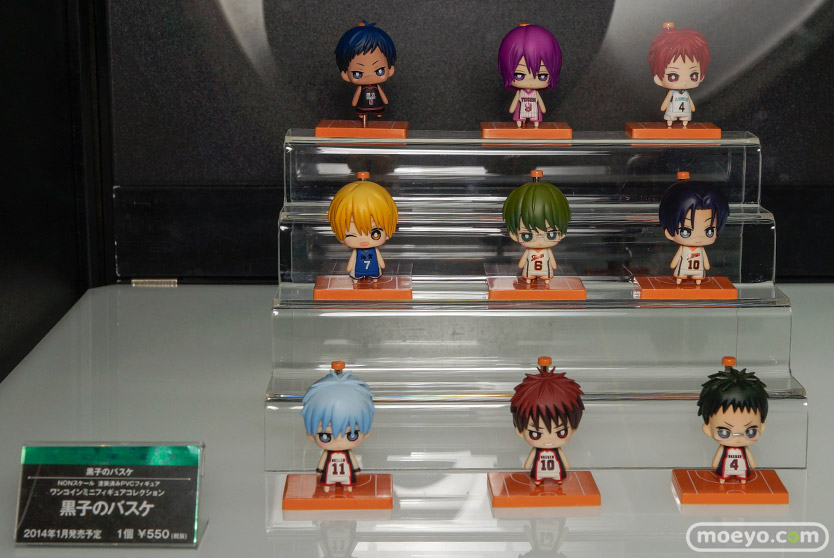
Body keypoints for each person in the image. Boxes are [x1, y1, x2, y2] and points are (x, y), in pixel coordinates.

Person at [301, 362, 375, 492]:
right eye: (326, 436)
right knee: (327, 481)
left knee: (348, 481)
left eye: (351, 435)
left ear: (366, 432)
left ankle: (348, 487)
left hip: (346, 474)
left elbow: (353, 463)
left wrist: (356, 469)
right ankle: (327, 487)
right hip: (329, 474)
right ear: (311, 435)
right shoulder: (329, 453)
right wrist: (319, 470)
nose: (339, 442)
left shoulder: (347, 453)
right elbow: (322, 464)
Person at [511, 356, 584, 485]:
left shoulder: (555, 450)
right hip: (539, 472)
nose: (549, 440)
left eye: (561, 432)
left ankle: (556, 479)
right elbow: (528, 465)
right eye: (536, 434)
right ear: (520, 431)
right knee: (539, 477)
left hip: (556, 471)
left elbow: (528, 466)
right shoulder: (539, 450)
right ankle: (540, 480)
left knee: (558, 475)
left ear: (574, 429)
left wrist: (527, 466)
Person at [697, 357, 768, 484]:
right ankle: (723, 478)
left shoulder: (742, 449)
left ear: (761, 427)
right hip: (725, 469)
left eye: (750, 432)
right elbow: (715, 463)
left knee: (742, 474)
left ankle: (742, 479)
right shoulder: (725, 449)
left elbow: (751, 463)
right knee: (724, 473)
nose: (738, 438)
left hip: (742, 469)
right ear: (708, 429)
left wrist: (752, 464)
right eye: (724, 432)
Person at [658, 174, 729, 285]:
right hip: (683, 269)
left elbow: (706, 263)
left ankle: (697, 280)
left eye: (709, 231)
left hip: (698, 270)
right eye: (686, 231)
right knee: (681, 273)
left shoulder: (699, 250)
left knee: (698, 276)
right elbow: (675, 261)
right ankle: (680, 279)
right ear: (668, 232)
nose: (698, 238)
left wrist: (706, 265)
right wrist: (674, 264)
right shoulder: (684, 249)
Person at [502, 171, 570, 283]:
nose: (539, 240)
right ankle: (529, 280)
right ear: (513, 235)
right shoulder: (531, 251)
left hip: (545, 270)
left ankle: (544, 280)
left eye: (550, 234)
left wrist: (553, 265)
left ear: (562, 234)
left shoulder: (546, 251)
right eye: (527, 235)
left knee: (545, 276)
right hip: (530, 270)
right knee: (529, 275)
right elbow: (522, 263)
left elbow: (552, 263)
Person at [328, 173, 398, 282]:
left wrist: (382, 265)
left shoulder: (373, 250)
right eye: (351, 235)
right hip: (358, 270)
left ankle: (374, 278)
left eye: (375, 233)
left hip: (373, 269)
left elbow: (381, 263)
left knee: (374, 274)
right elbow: (351, 264)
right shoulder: (357, 252)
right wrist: (349, 268)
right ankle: (357, 279)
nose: (363, 239)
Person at [498, 24, 562, 128]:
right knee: (520, 115)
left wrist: (543, 108)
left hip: (533, 110)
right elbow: (514, 104)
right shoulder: (520, 93)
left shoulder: (534, 93)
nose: (531, 80)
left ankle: (535, 124)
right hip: (522, 110)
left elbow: (541, 104)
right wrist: (512, 109)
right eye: (519, 75)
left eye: (542, 76)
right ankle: (520, 123)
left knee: (535, 116)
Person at [648, 22, 710, 128]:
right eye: (673, 76)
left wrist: (692, 107)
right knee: (671, 116)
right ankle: (670, 122)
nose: (684, 81)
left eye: (693, 75)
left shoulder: (684, 93)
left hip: (685, 111)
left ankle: (684, 123)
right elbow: (665, 104)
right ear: (658, 79)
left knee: (685, 117)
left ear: (701, 76)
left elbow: (690, 103)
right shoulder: (673, 93)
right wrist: (664, 107)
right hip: (673, 110)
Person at [335, 21, 397, 125]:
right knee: (362, 109)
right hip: (363, 104)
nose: (369, 77)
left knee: (378, 108)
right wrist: (355, 102)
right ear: (345, 74)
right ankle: (362, 114)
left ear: (390, 69)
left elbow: (382, 96)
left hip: (376, 102)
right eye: (358, 73)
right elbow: (356, 98)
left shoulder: (376, 87)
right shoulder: (362, 88)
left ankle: (378, 112)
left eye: (379, 71)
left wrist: (385, 101)